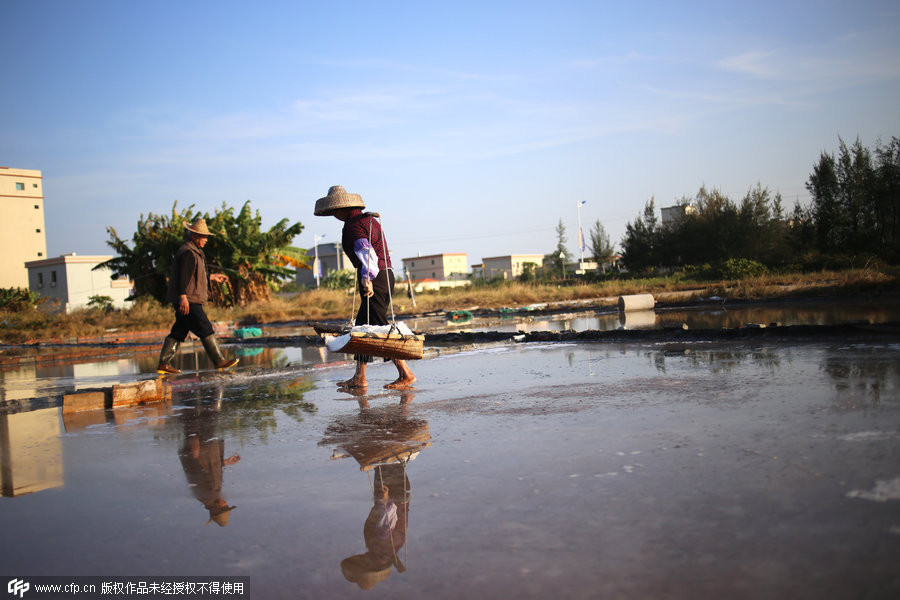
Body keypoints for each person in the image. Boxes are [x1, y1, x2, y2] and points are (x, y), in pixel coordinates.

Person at [314, 185, 416, 389]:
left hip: (375, 278)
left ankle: (406, 374)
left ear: (342, 209)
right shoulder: (369, 220)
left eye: (334, 211)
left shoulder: (354, 225)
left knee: (378, 325)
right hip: (386, 275)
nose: (334, 215)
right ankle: (359, 377)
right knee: (362, 325)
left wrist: (367, 279)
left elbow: (367, 253)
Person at [156, 218, 239, 374]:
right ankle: (219, 360)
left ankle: (164, 363)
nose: (206, 240)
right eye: (204, 237)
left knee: (179, 331)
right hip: (189, 299)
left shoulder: (193, 251)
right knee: (205, 327)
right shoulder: (188, 252)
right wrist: (182, 297)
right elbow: (183, 277)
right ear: (195, 236)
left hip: (188, 298)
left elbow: (195, 275)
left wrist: (212, 277)